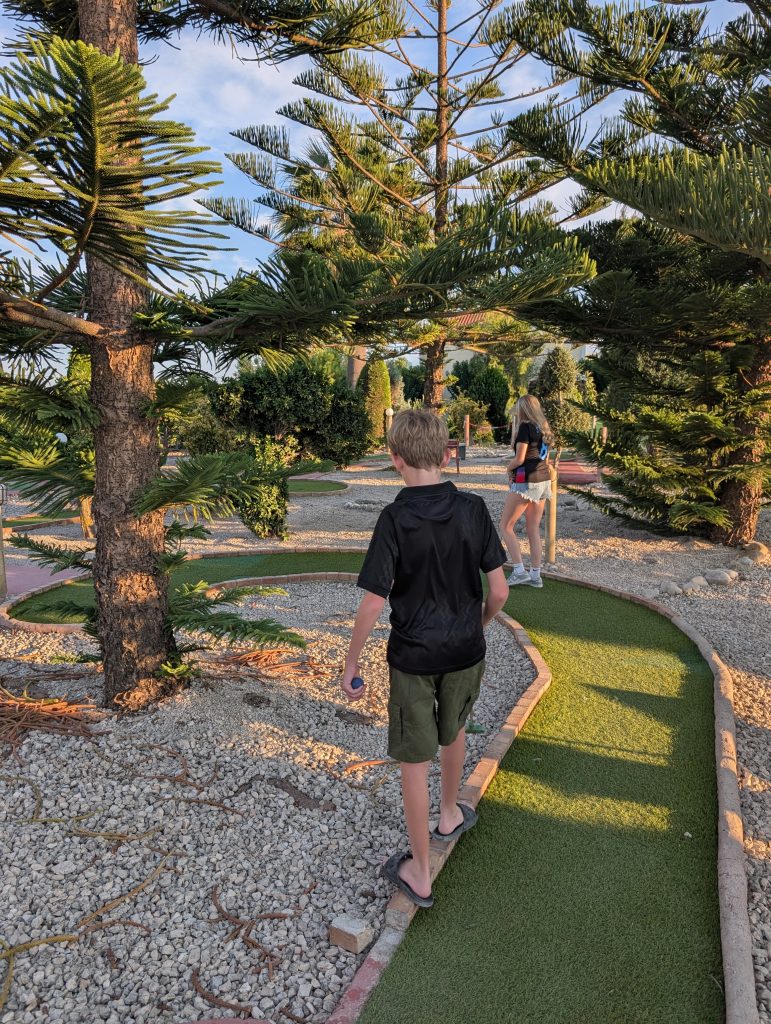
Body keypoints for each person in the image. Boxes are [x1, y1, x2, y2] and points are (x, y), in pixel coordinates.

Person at [341, 409, 509, 908]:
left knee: (415, 761)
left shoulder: (394, 519)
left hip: (412, 656)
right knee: (453, 728)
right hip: (464, 650)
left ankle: (419, 871)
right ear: (444, 454)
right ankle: (450, 815)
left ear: (396, 459)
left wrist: (351, 663)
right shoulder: (475, 509)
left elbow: (374, 600)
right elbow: (498, 591)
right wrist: (476, 624)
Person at [499, 393, 553, 588]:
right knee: (532, 528)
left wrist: (507, 468)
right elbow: (545, 460)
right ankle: (536, 575)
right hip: (543, 479)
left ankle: (519, 570)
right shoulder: (545, 429)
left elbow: (520, 459)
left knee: (506, 526)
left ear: (523, 409)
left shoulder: (525, 427)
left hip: (526, 479)